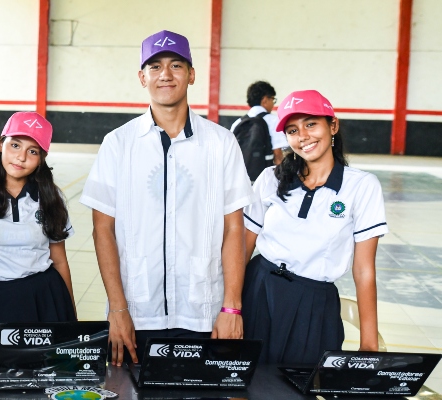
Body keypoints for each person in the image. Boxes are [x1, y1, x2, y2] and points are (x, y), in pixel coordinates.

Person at [80, 30, 253, 366]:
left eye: (176, 65)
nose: (166, 74)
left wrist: (231, 306)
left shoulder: (220, 143)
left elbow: (234, 228)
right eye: (155, 66)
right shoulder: (119, 143)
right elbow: (103, 230)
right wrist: (117, 308)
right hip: (137, 315)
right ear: (142, 77)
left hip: (204, 314)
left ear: (191, 74)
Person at [242, 90, 386, 364]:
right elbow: (242, 249)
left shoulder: (362, 186)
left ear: (333, 125)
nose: (303, 136)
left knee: (299, 386)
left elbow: (364, 269)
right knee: (244, 382)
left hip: (313, 304)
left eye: (311, 124)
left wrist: (369, 341)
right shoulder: (269, 179)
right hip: (258, 292)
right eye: (293, 130)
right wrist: (230, 309)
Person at [0, 112, 76, 361]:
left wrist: (70, 315)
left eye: (33, 151)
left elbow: (59, 259)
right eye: (15, 145)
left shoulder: (50, 196)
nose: (21, 157)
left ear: (42, 158)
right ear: (1, 144)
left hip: (44, 297)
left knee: (45, 376)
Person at [229, 81, 287, 180]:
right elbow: (278, 155)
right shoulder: (273, 121)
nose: (273, 104)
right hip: (265, 179)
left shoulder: (237, 123)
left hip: (240, 179)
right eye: (273, 99)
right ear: (265, 100)